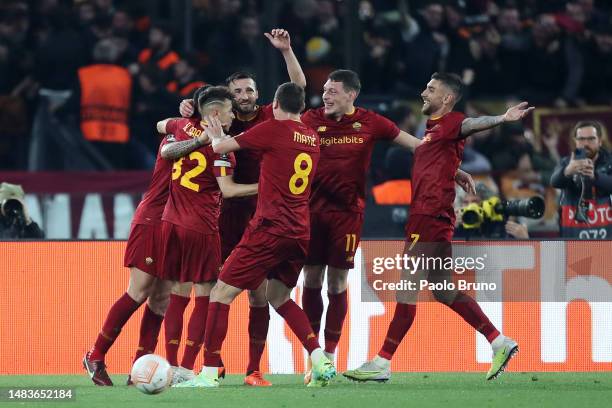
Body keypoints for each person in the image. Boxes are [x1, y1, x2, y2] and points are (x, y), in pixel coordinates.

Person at [343, 72, 533, 382]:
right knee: (444, 291)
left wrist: (502, 118)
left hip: (429, 218)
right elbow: (438, 155)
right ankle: (500, 341)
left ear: (446, 98)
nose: (423, 93)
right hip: (433, 218)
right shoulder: (432, 132)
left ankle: (382, 361)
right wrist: (455, 169)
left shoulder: (453, 121)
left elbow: (471, 125)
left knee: (406, 288)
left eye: (430, 89)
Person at [299, 69, 475, 384]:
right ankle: (312, 356)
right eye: (325, 90)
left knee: (337, 283)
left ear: (351, 94)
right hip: (311, 211)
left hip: (348, 213)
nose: (326, 95)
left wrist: (455, 168)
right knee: (311, 278)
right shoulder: (310, 119)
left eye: (333, 91)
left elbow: (420, 146)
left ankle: (328, 355)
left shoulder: (371, 122)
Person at [176, 82, 334, 388]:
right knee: (280, 297)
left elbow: (220, 147)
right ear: (301, 107)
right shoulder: (312, 137)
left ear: (275, 104)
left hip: (269, 228)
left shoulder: (274, 129)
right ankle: (319, 358)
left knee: (221, 293)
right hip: (299, 230)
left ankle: (209, 373)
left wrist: (214, 129)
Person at [156, 85, 259, 385]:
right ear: (215, 114)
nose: (234, 116)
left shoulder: (180, 125)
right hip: (201, 228)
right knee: (205, 296)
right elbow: (228, 191)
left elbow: (161, 128)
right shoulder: (221, 147)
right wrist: (267, 187)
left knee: (177, 294)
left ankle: (171, 365)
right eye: (229, 111)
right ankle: (188, 368)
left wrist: (183, 112)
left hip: (170, 222)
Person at [550, 121, 612, 239]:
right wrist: (568, 171)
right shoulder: (566, 162)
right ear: (575, 141)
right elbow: (554, 182)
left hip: (607, 233)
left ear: (600, 141)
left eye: (591, 139)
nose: (585, 144)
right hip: (574, 234)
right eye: (581, 139)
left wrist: (595, 177)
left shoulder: (610, 161)